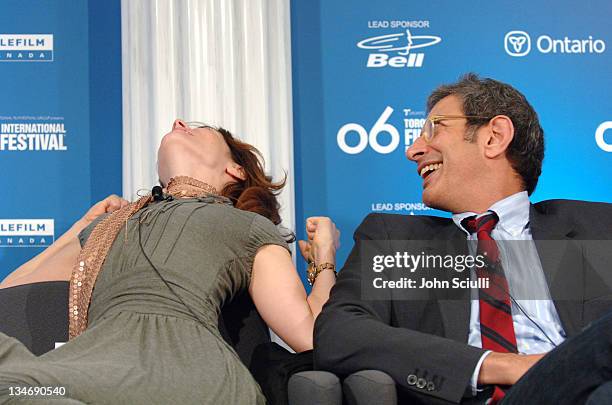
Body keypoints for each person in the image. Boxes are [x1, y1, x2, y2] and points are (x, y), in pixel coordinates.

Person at [314, 74, 612, 405]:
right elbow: (339, 334)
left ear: (494, 137)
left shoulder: (598, 227)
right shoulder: (399, 241)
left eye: (433, 129)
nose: (413, 150)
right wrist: (503, 366)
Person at [0, 119, 339, 404]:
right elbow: (9, 295)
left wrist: (324, 259)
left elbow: (308, 334)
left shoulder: (247, 226)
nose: (178, 122)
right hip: (95, 367)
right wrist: (80, 227)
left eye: (200, 128)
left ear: (233, 169)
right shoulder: (111, 227)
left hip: (186, 371)